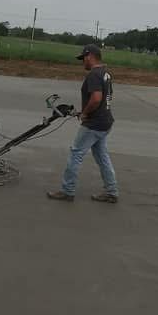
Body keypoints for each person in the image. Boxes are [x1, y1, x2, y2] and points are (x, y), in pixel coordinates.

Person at [47, 43, 119, 203]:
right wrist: (83, 111)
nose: (83, 62)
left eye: (83, 58)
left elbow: (96, 98)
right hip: (105, 121)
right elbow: (105, 98)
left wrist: (85, 113)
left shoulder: (94, 74)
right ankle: (112, 192)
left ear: (90, 56)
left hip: (94, 123)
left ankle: (67, 191)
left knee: (76, 153)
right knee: (102, 156)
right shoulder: (106, 72)